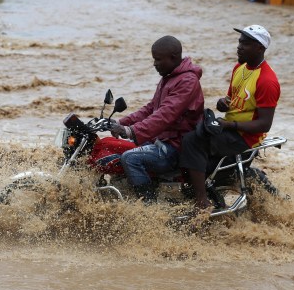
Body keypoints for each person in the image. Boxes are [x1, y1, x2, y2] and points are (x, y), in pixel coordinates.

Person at [179, 25, 280, 212]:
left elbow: (265, 124)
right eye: (239, 42)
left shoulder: (267, 80)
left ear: (260, 48)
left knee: (191, 141)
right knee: (186, 129)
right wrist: (222, 103)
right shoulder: (239, 68)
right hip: (229, 128)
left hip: (244, 138)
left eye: (246, 43)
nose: (239, 47)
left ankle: (201, 201)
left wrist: (230, 125)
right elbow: (231, 99)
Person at [110, 36, 204, 202]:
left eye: (158, 59)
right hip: (161, 140)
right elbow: (150, 109)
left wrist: (131, 131)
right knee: (115, 150)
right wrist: (120, 122)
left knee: (130, 159)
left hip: (176, 146)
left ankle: (148, 209)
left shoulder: (187, 81)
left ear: (173, 57)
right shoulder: (169, 77)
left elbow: (165, 115)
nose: (155, 64)